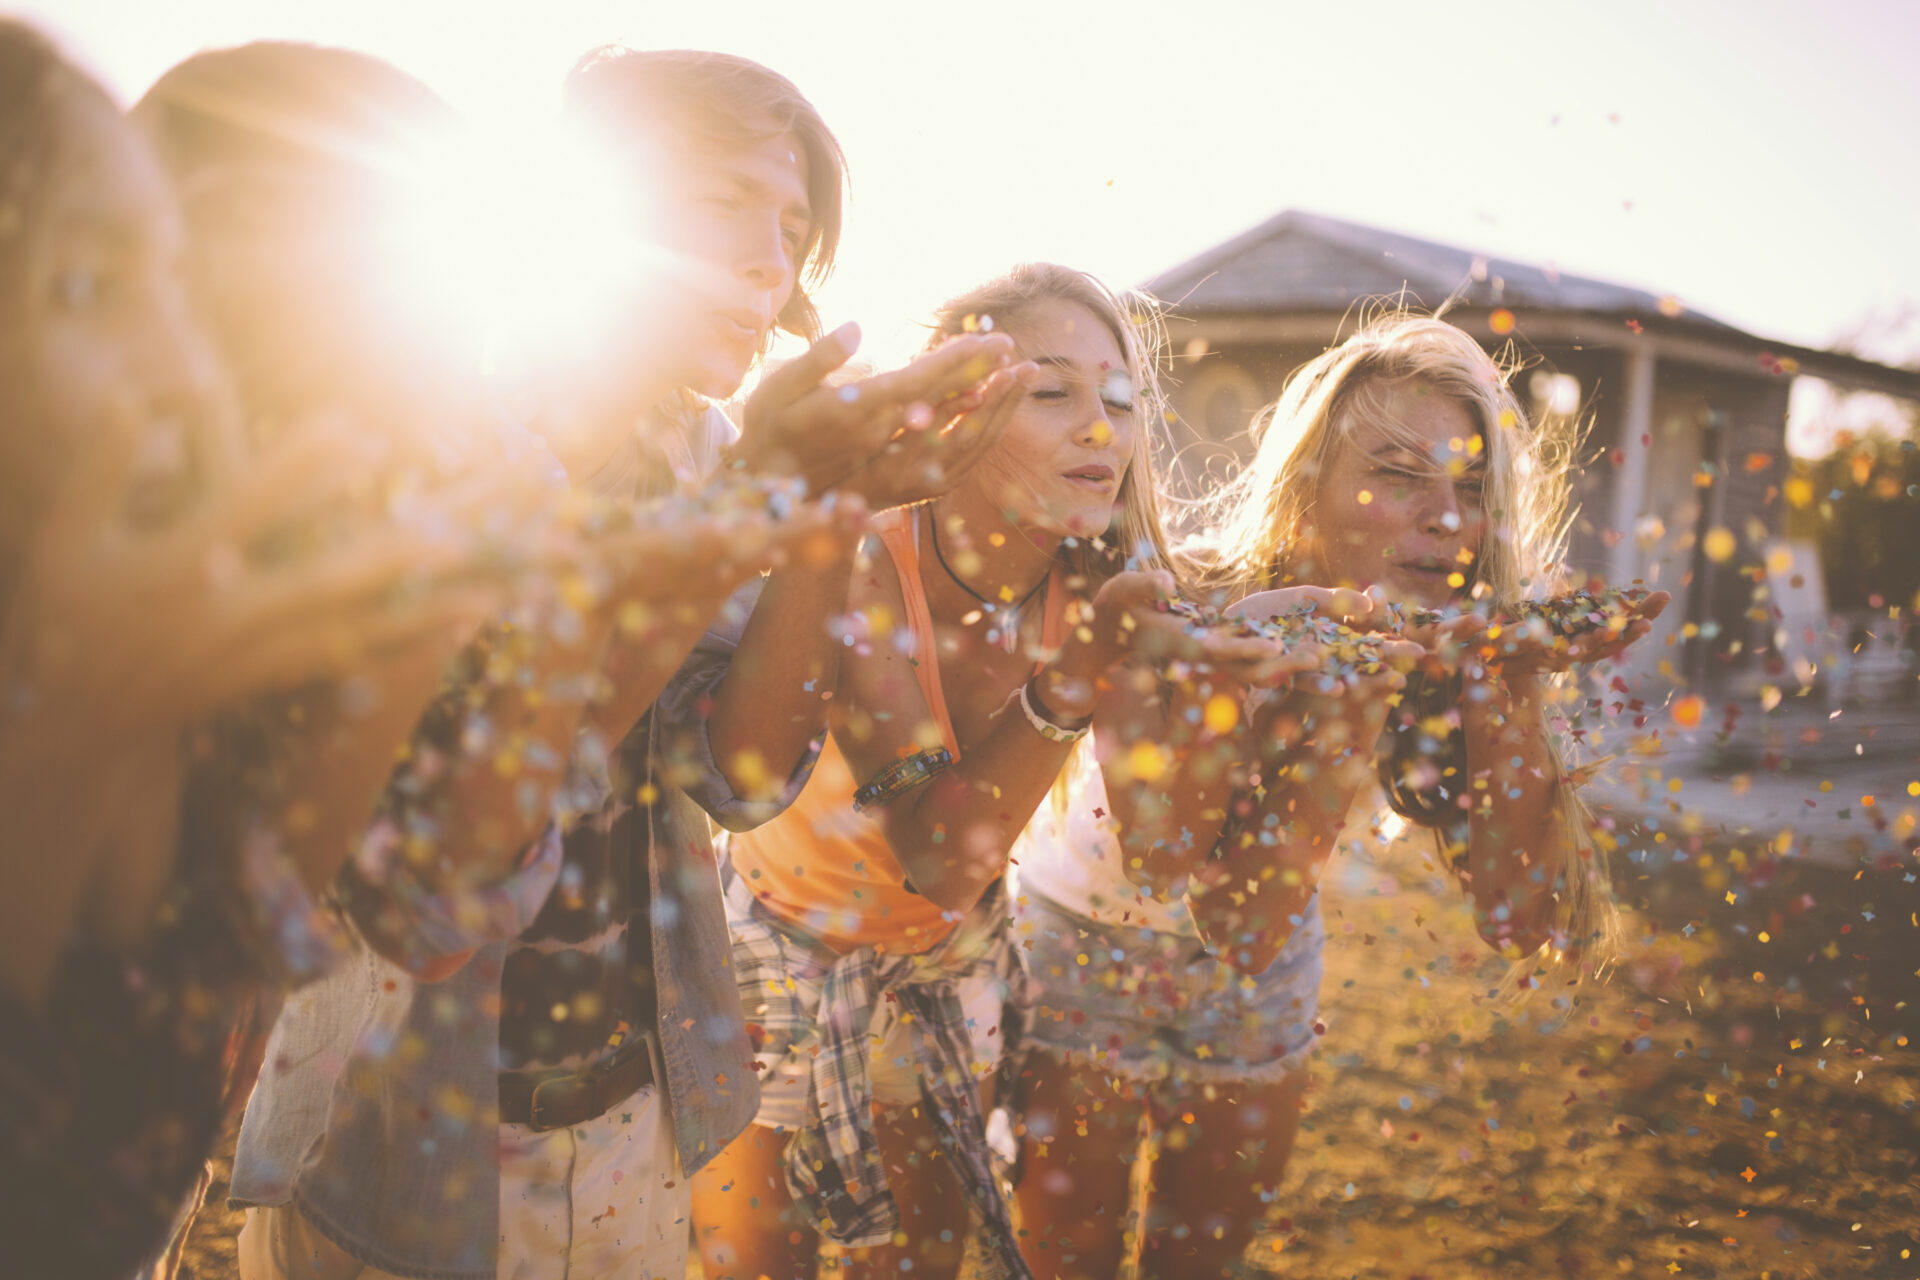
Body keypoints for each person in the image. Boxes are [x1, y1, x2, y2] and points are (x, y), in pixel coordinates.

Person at [211, 44, 1028, 1280]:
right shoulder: (441, 431)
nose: (768, 259)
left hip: (630, 1113)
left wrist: (822, 517)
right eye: (719, 206)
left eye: (791, 229)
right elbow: (503, 800)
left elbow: (743, 773)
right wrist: (759, 497)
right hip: (401, 1130)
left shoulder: (710, 450)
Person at [0, 22, 549, 1280]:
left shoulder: (205, 577)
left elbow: (242, 928)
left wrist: (434, 618)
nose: (181, 371)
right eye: (95, 280)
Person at [1007, 310, 1668, 1279]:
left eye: (1471, 488)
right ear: (1305, 492)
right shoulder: (1188, 611)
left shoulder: (1448, 636)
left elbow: (1520, 914)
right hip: (1082, 943)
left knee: (1198, 1263)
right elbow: (1226, 907)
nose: (1447, 519)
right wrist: (1350, 701)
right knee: (1067, 1262)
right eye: (1398, 475)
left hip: (1269, 969)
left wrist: (1506, 678)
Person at [689, 263, 1302, 1280]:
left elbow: (1218, 639)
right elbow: (938, 851)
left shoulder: (1099, 574)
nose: (1101, 430)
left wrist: (1325, 630)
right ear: (955, 413)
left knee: (923, 1262)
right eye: (1053, 392)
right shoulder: (863, 566)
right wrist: (1074, 682)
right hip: (775, 945)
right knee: (754, 1264)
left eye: (1120, 399)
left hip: (948, 958)